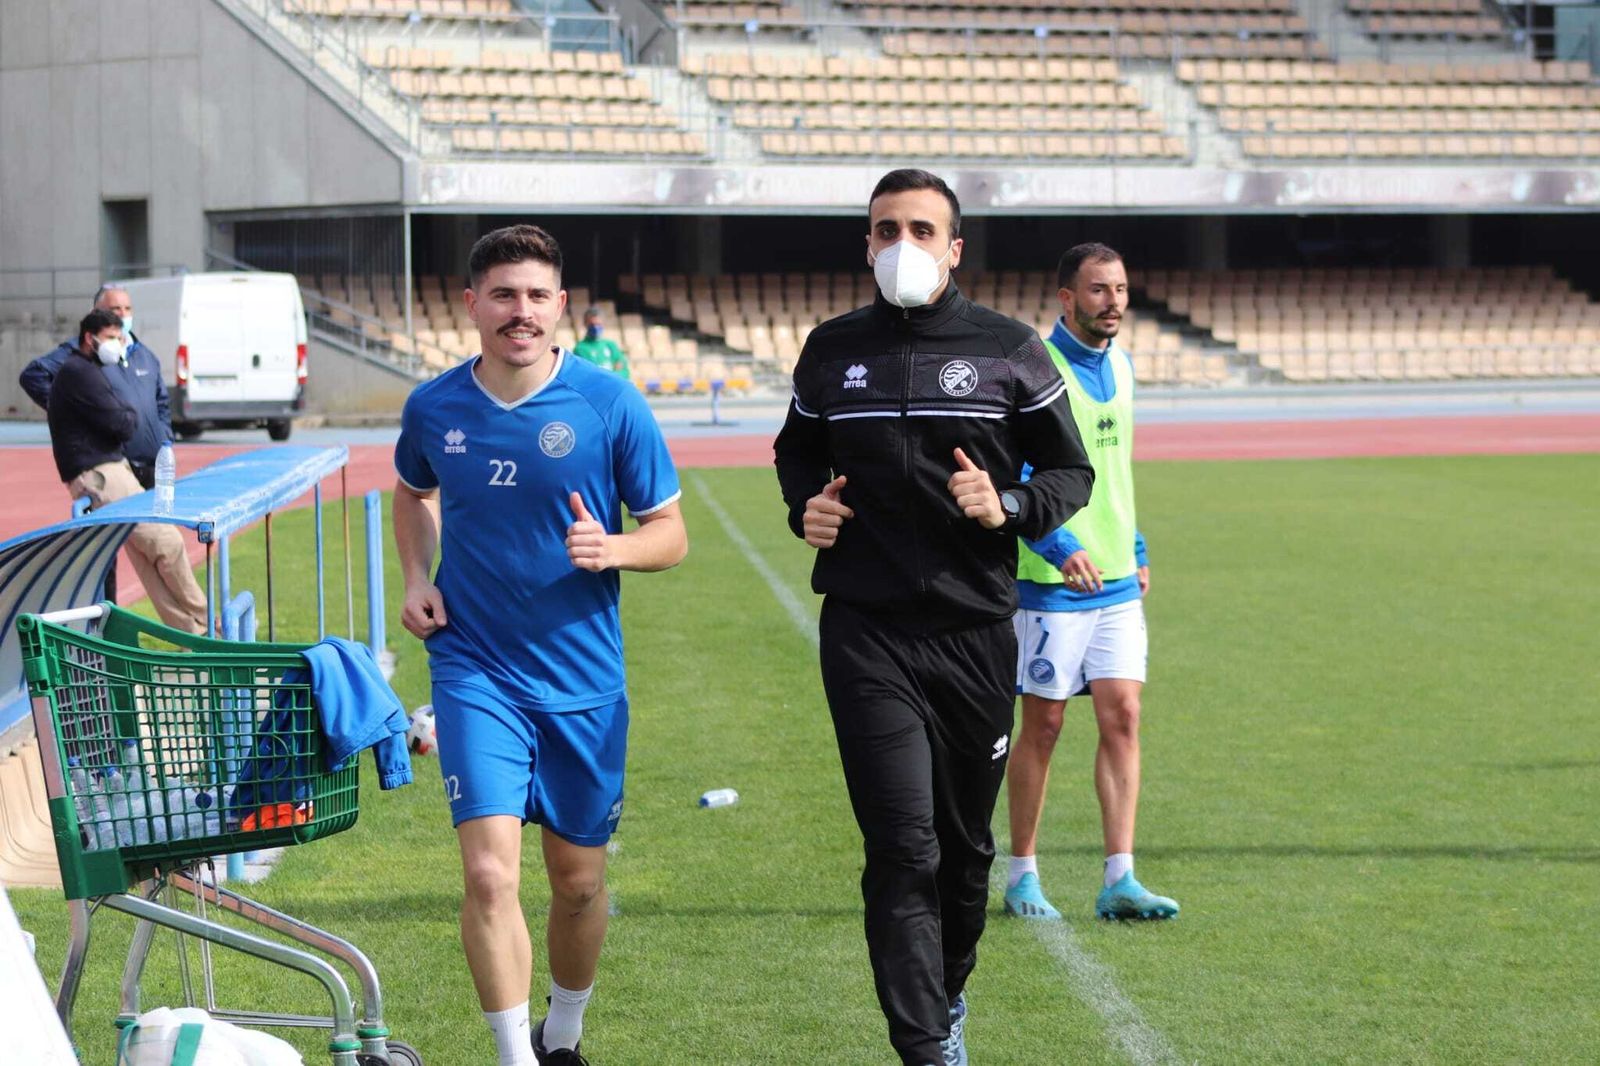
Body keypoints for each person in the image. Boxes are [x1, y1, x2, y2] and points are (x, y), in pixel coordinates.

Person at [773, 169, 1095, 1066]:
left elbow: (1071, 472)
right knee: (902, 846)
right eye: (885, 230)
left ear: (955, 249)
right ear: (866, 243)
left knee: (964, 854)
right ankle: (923, 1048)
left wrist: (1010, 509)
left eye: (921, 230)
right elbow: (797, 449)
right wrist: (806, 508)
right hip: (867, 633)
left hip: (976, 634)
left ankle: (947, 997)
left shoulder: (1010, 348)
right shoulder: (831, 350)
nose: (901, 245)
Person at [392, 225, 686, 1066]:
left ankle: (563, 1035)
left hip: (582, 677)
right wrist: (418, 576)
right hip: (473, 666)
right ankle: (513, 1058)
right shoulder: (435, 407)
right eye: (503, 295)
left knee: (578, 881)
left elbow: (669, 532)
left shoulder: (608, 405)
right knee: (489, 873)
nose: (520, 312)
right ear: (472, 303)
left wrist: (617, 548)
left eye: (536, 296)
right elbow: (412, 493)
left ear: (559, 307)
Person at [1003, 242, 1180, 924]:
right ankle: (1022, 873)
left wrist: (1131, 545)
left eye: (1121, 288)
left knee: (1124, 717)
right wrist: (1059, 542)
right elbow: (1018, 472)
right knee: (1044, 725)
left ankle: (1121, 878)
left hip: (1115, 584)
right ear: (1066, 299)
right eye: (1099, 290)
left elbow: (1116, 474)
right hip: (1051, 580)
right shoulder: (1035, 370)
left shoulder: (1126, 368)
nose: (1114, 301)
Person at [45, 309, 208, 634]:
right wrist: (126, 412)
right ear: (90, 339)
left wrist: (124, 412)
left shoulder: (89, 370)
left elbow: (122, 416)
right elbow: (122, 421)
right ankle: (209, 622)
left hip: (106, 469)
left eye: (121, 338)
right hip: (100, 473)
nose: (118, 345)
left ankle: (194, 633)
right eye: (111, 338)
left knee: (147, 559)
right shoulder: (80, 372)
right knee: (167, 543)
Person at [22, 285, 171, 489]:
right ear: (96, 313)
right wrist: (67, 409)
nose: (123, 314)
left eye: (127, 308)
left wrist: (164, 438)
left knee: (156, 520)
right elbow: (33, 375)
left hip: (153, 466)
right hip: (115, 467)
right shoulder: (84, 353)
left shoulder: (144, 355)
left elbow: (161, 402)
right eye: (115, 308)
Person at [570, 308, 630, 378]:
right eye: (592, 325)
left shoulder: (611, 345)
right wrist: (614, 372)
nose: (595, 327)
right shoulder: (580, 349)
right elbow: (592, 375)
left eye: (598, 324)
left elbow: (625, 371)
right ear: (585, 324)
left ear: (603, 324)